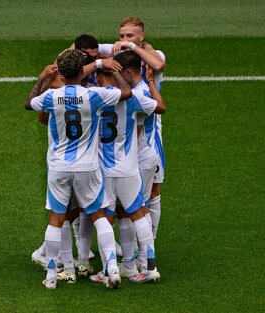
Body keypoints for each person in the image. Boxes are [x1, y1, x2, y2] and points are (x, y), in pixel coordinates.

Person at [25, 49, 132, 289]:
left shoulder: (51, 97)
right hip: (88, 167)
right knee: (98, 215)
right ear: (82, 73)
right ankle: (113, 269)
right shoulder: (94, 95)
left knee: (56, 218)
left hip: (59, 167)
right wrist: (115, 71)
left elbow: (28, 104)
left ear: (60, 74)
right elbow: (126, 92)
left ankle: (52, 276)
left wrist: (42, 78)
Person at [87, 60, 165, 284]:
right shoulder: (132, 98)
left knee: (104, 217)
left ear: (100, 76)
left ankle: (109, 270)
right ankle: (150, 267)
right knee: (138, 213)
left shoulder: (94, 96)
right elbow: (160, 108)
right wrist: (149, 82)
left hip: (103, 171)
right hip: (129, 169)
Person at [99, 16, 166, 241]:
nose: (124, 39)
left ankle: (147, 245)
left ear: (141, 36)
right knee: (127, 201)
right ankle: (134, 252)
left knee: (149, 194)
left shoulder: (153, 54)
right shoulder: (118, 53)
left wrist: (131, 47)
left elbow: (158, 65)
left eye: (130, 35)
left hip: (150, 135)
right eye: (121, 36)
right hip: (127, 135)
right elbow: (78, 49)